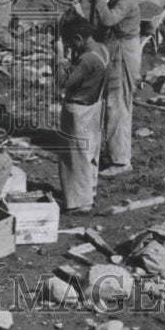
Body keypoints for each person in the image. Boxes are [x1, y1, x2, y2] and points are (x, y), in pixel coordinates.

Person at [91, 0, 142, 176]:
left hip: (123, 52)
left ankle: (120, 161)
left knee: (117, 105)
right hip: (117, 50)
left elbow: (108, 19)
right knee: (113, 104)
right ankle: (116, 154)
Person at [57, 20, 110, 213]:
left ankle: (79, 202)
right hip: (95, 105)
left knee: (75, 157)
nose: (72, 47)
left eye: (72, 43)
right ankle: (90, 190)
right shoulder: (102, 50)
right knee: (90, 152)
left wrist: (60, 57)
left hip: (78, 110)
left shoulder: (88, 59)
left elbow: (63, 82)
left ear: (79, 38)